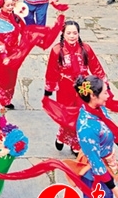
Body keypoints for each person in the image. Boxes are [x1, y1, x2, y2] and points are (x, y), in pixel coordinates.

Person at [54, 76, 118, 198]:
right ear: (93, 96)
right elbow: (96, 163)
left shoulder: (98, 109)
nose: (108, 95)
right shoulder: (86, 127)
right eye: (105, 92)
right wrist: (114, 188)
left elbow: (109, 127)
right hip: (95, 176)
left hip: (104, 170)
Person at [44, 21, 107, 153]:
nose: (72, 36)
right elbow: (52, 71)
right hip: (65, 87)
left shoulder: (86, 49)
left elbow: (95, 66)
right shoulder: (57, 50)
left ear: (78, 34)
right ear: (63, 34)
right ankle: (62, 135)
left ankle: (76, 144)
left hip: (84, 87)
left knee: (81, 114)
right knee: (67, 114)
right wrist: (49, 89)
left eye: (75, 33)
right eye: (69, 33)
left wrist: (103, 84)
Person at [0, 0, 63, 107]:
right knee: (2, 78)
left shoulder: (15, 17)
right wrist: (4, 57)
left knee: (12, 77)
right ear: (1, 6)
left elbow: (25, 30)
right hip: (0, 54)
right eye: (8, 5)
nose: (11, 7)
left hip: (14, 52)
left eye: (12, 5)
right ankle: (0, 100)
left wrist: (37, 35)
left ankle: (7, 100)